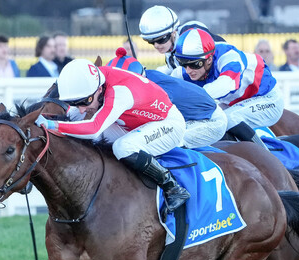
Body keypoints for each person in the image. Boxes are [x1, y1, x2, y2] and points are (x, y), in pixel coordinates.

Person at [34, 59, 189, 212]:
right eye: (76, 103)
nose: (81, 109)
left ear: (99, 90)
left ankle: (173, 188)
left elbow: (93, 128)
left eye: (85, 102)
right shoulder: (94, 83)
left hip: (168, 124)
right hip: (133, 123)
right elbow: (73, 118)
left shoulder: (120, 92)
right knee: (82, 130)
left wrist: (51, 125)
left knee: (123, 147)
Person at [172, 28, 283, 148]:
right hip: (234, 102)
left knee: (230, 118)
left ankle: (266, 157)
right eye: (183, 63)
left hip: (267, 98)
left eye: (194, 64)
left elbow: (227, 84)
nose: (188, 70)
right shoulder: (184, 71)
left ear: (209, 59)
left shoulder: (228, 57)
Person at [107, 47, 227, 148]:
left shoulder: (155, 91)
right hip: (191, 117)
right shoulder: (146, 78)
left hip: (210, 121)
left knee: (161, 140)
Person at [139, 5, 225, 74]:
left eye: (161, 40)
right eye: (151, 42)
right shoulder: (170, 55)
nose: (156, 45)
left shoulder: (192, 32)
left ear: (173, 32)